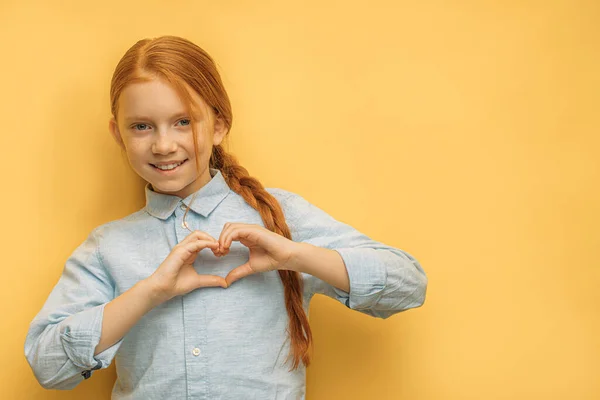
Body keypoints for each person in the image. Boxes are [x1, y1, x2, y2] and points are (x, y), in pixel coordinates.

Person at [24, 35, 428, 399]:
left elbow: (408, 285)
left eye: (183, 122)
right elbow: (47, 366)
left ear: (219, 124)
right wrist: (149, 292)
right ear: (119, 135)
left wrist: (294, 256)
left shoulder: (277, 215)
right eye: (142, 126)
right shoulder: (107, 246)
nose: (164, 144)